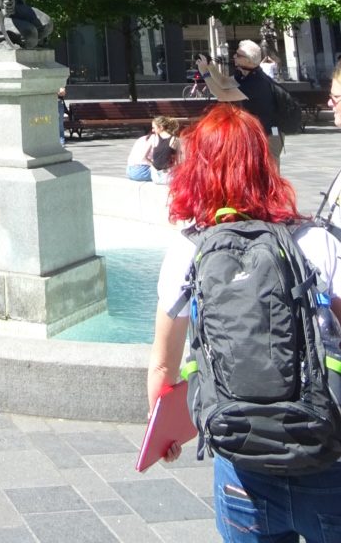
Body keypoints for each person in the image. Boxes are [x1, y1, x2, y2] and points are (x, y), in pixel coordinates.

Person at [148, 104, 341, 539]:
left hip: (241, 464)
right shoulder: (315, 241)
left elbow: (162, 365)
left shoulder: (188, 250)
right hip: (327, 459)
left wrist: (163, 435)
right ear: (264, 164)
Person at [206, 40, 284, 161]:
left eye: (238, 55)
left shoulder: (256, 82)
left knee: (269, 169)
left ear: (249, 60)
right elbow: (223, 82)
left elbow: (222, 95)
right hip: (257, 132)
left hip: (269, 135)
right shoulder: (245, 74)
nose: (234, 56)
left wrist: (205, 74)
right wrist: (210, 66)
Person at [149, 116, 182, 184]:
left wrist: (153, 164)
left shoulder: (154, 138)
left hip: (155, 176)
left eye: (154, 128)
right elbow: (178, 161)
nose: (152, 130)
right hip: (168, 176)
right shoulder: (175, 140)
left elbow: (144, 157)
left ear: (161, 127)